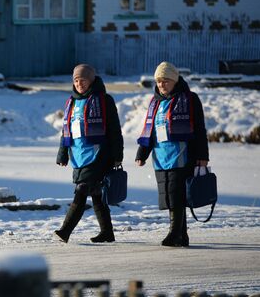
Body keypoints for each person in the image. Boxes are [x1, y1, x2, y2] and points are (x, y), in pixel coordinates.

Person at [135, 61, 209, 247]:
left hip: (182, 155)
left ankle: (174, 233)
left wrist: (202, 156)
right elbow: (149, 130)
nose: (161, 85)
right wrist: (142, 153)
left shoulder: (190, 99)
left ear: (175, 80)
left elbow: (200, 129)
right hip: (161, 157)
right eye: (159, 81)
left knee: (176, 195)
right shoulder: (155, 103)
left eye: (166, 81)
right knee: (169, 195)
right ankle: (182, 236)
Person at [54, 64, 123, 243]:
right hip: (78, 155)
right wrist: (62, 153)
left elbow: (115, 130)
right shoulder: (72, 102)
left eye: (83, 80)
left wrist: (117, 155)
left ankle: (65, 230)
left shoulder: (104, 100)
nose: (79, 84)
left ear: (91, 80)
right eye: (76, 80)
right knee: (97, 194)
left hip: (98, 154)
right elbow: (66, 130)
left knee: (82, 190)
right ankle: (107, 232)